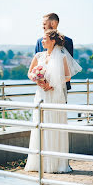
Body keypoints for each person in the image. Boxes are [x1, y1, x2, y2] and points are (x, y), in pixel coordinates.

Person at [25, 29, 82, 173]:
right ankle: (38, 163)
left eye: (44, 39)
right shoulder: (38, 56)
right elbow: (29, 72)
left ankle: (56, 164)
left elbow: (68, 76)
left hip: (55, 95)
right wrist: (38, 80)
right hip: (41, 95)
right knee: (40, 125)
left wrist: (52, 84)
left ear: (53, 41)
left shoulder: (61, 56)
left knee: (54, 125)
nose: (42, 41)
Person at [35, 13, 73, 97]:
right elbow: (36, 67)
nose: (43, 27)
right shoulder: (39, 42)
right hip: (42, 89)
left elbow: (69, 67)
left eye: (44, 24)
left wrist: (52, 83)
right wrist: (40, 81)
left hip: (61, 88)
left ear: (53, 23)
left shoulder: (68, 42)